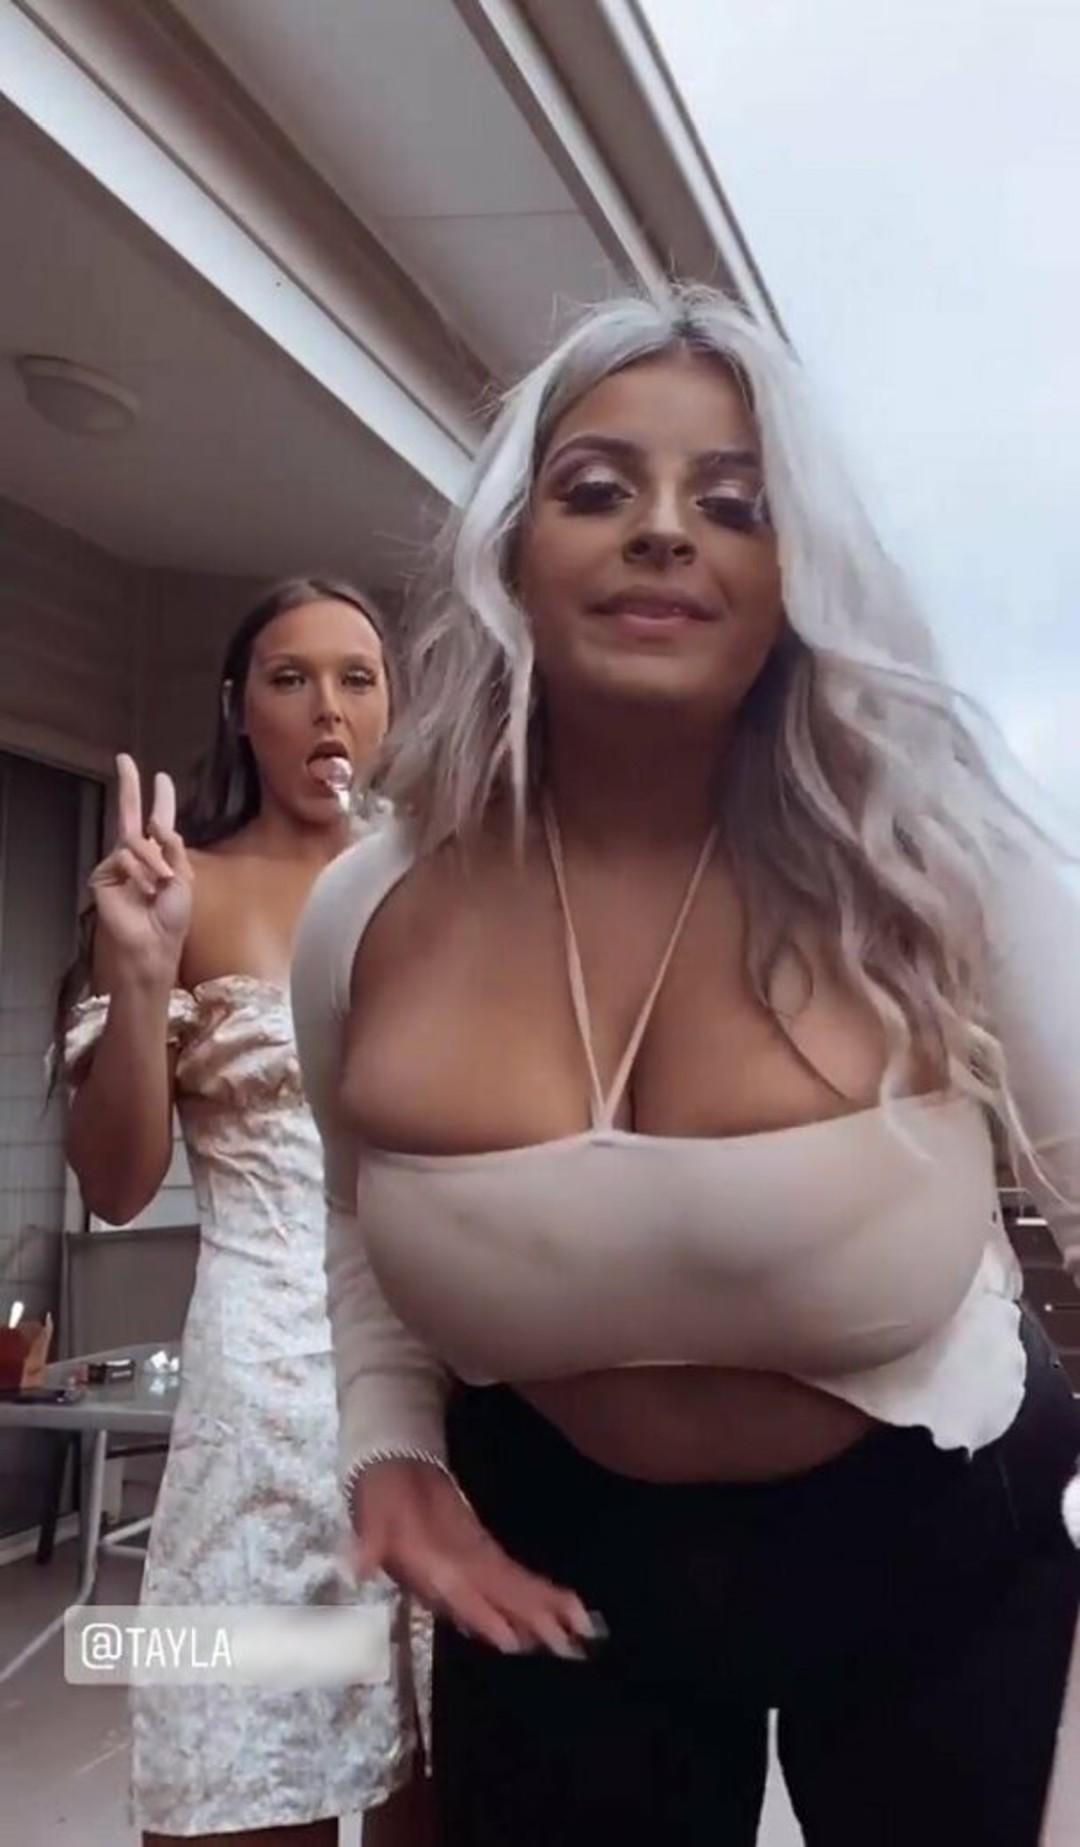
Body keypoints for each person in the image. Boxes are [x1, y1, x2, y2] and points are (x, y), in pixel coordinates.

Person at [291, 291, 1080, 1846]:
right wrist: (389, 1446)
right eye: (598, 488)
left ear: (800, 575)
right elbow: (354, 1209)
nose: (664, 531)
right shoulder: (366, 906)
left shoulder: (943, 871)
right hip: (551, 1561)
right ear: (514, 547)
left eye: (734, 503)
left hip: (937, 1530)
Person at [58, 580, 431, 1846]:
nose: (328, 706)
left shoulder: (448, 889)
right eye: (290, 677)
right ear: (239, 708)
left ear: (390, 708)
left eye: (357, 677)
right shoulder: (185, 890)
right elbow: (115, 1185)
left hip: (450, 1405)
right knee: (244, 1780)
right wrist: (141, 964)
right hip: (263, 1416)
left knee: (454, 1786)